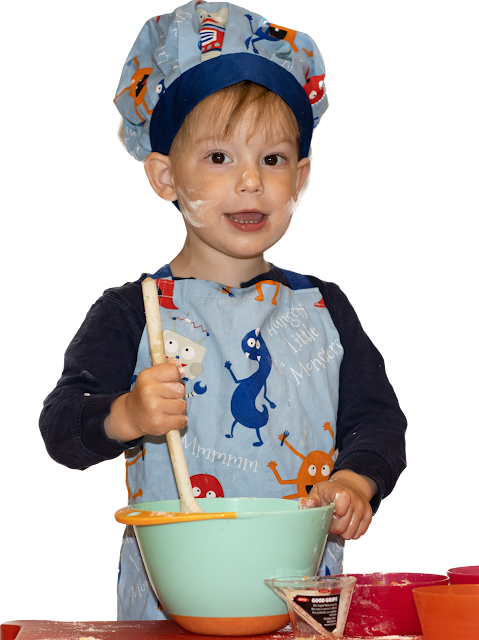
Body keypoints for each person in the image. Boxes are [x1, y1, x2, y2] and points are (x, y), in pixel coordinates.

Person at [38, 1, 407, 621]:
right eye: (218, 158)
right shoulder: (134, 312)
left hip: (303, 605)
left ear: (303, 177)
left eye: (272, 159)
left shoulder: (324, 308)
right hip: (169, 608)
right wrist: (126, 414)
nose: (249, 182)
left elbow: (378, 423)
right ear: (164, 175)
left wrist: (354, 484)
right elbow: (61, 430)